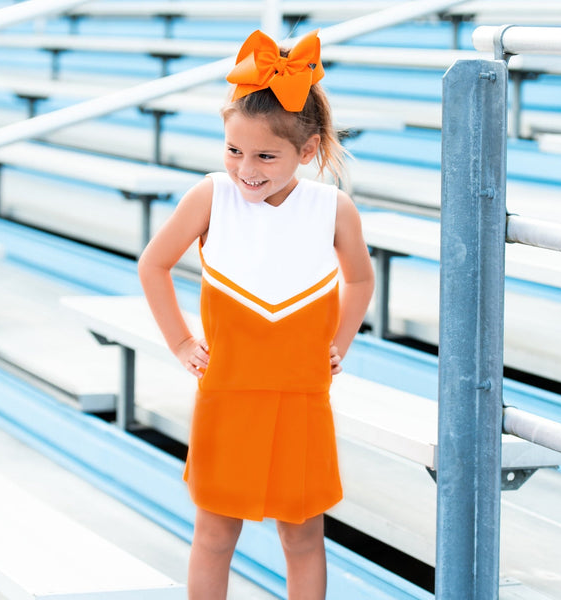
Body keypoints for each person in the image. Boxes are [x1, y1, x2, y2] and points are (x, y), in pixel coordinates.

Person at [138, 28, 374, 600]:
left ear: (308, 150)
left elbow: (361, 278)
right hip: (229, 393)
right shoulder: (210, 196)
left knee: (302, 535)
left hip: (301, 396)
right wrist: (179, 342)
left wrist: (339, 341)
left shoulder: (331, 207)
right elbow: (154, 264)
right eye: (234, 151)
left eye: (267, 155)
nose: (247, 167)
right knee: (215, 533)